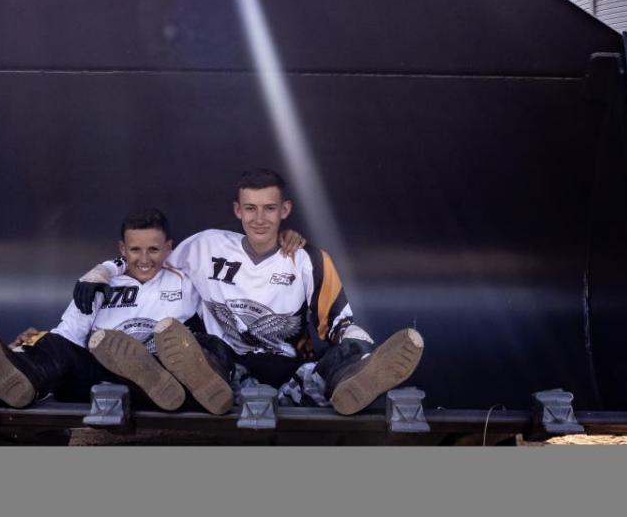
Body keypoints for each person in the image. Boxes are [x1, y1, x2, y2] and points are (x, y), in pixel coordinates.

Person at [73, 168, 424, 415]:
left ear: (284, 210)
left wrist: (360, 348)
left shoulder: (307, 259)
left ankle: (356, 380)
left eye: (270, 209)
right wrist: (105, 269)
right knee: (200, 345)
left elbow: (338, 323)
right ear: (237, 210)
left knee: (343, 353)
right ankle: (209, 388)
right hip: (224, 364)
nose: (260, 219)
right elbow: (147, 258)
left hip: (287, 369)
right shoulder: (206, 246)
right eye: (251, 209)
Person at [0, 208, 201, 411]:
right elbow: (68, 336)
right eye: (135, 250)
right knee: (53, 343)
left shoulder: (187, 282)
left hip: (162, 374)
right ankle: (16, 372)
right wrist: (36, 346)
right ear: (122, 249)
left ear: (169, 247)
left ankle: (152, 380)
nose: (145, 259)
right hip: (101, 372)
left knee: (194, 352)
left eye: (154, 249)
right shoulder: (97, 285)